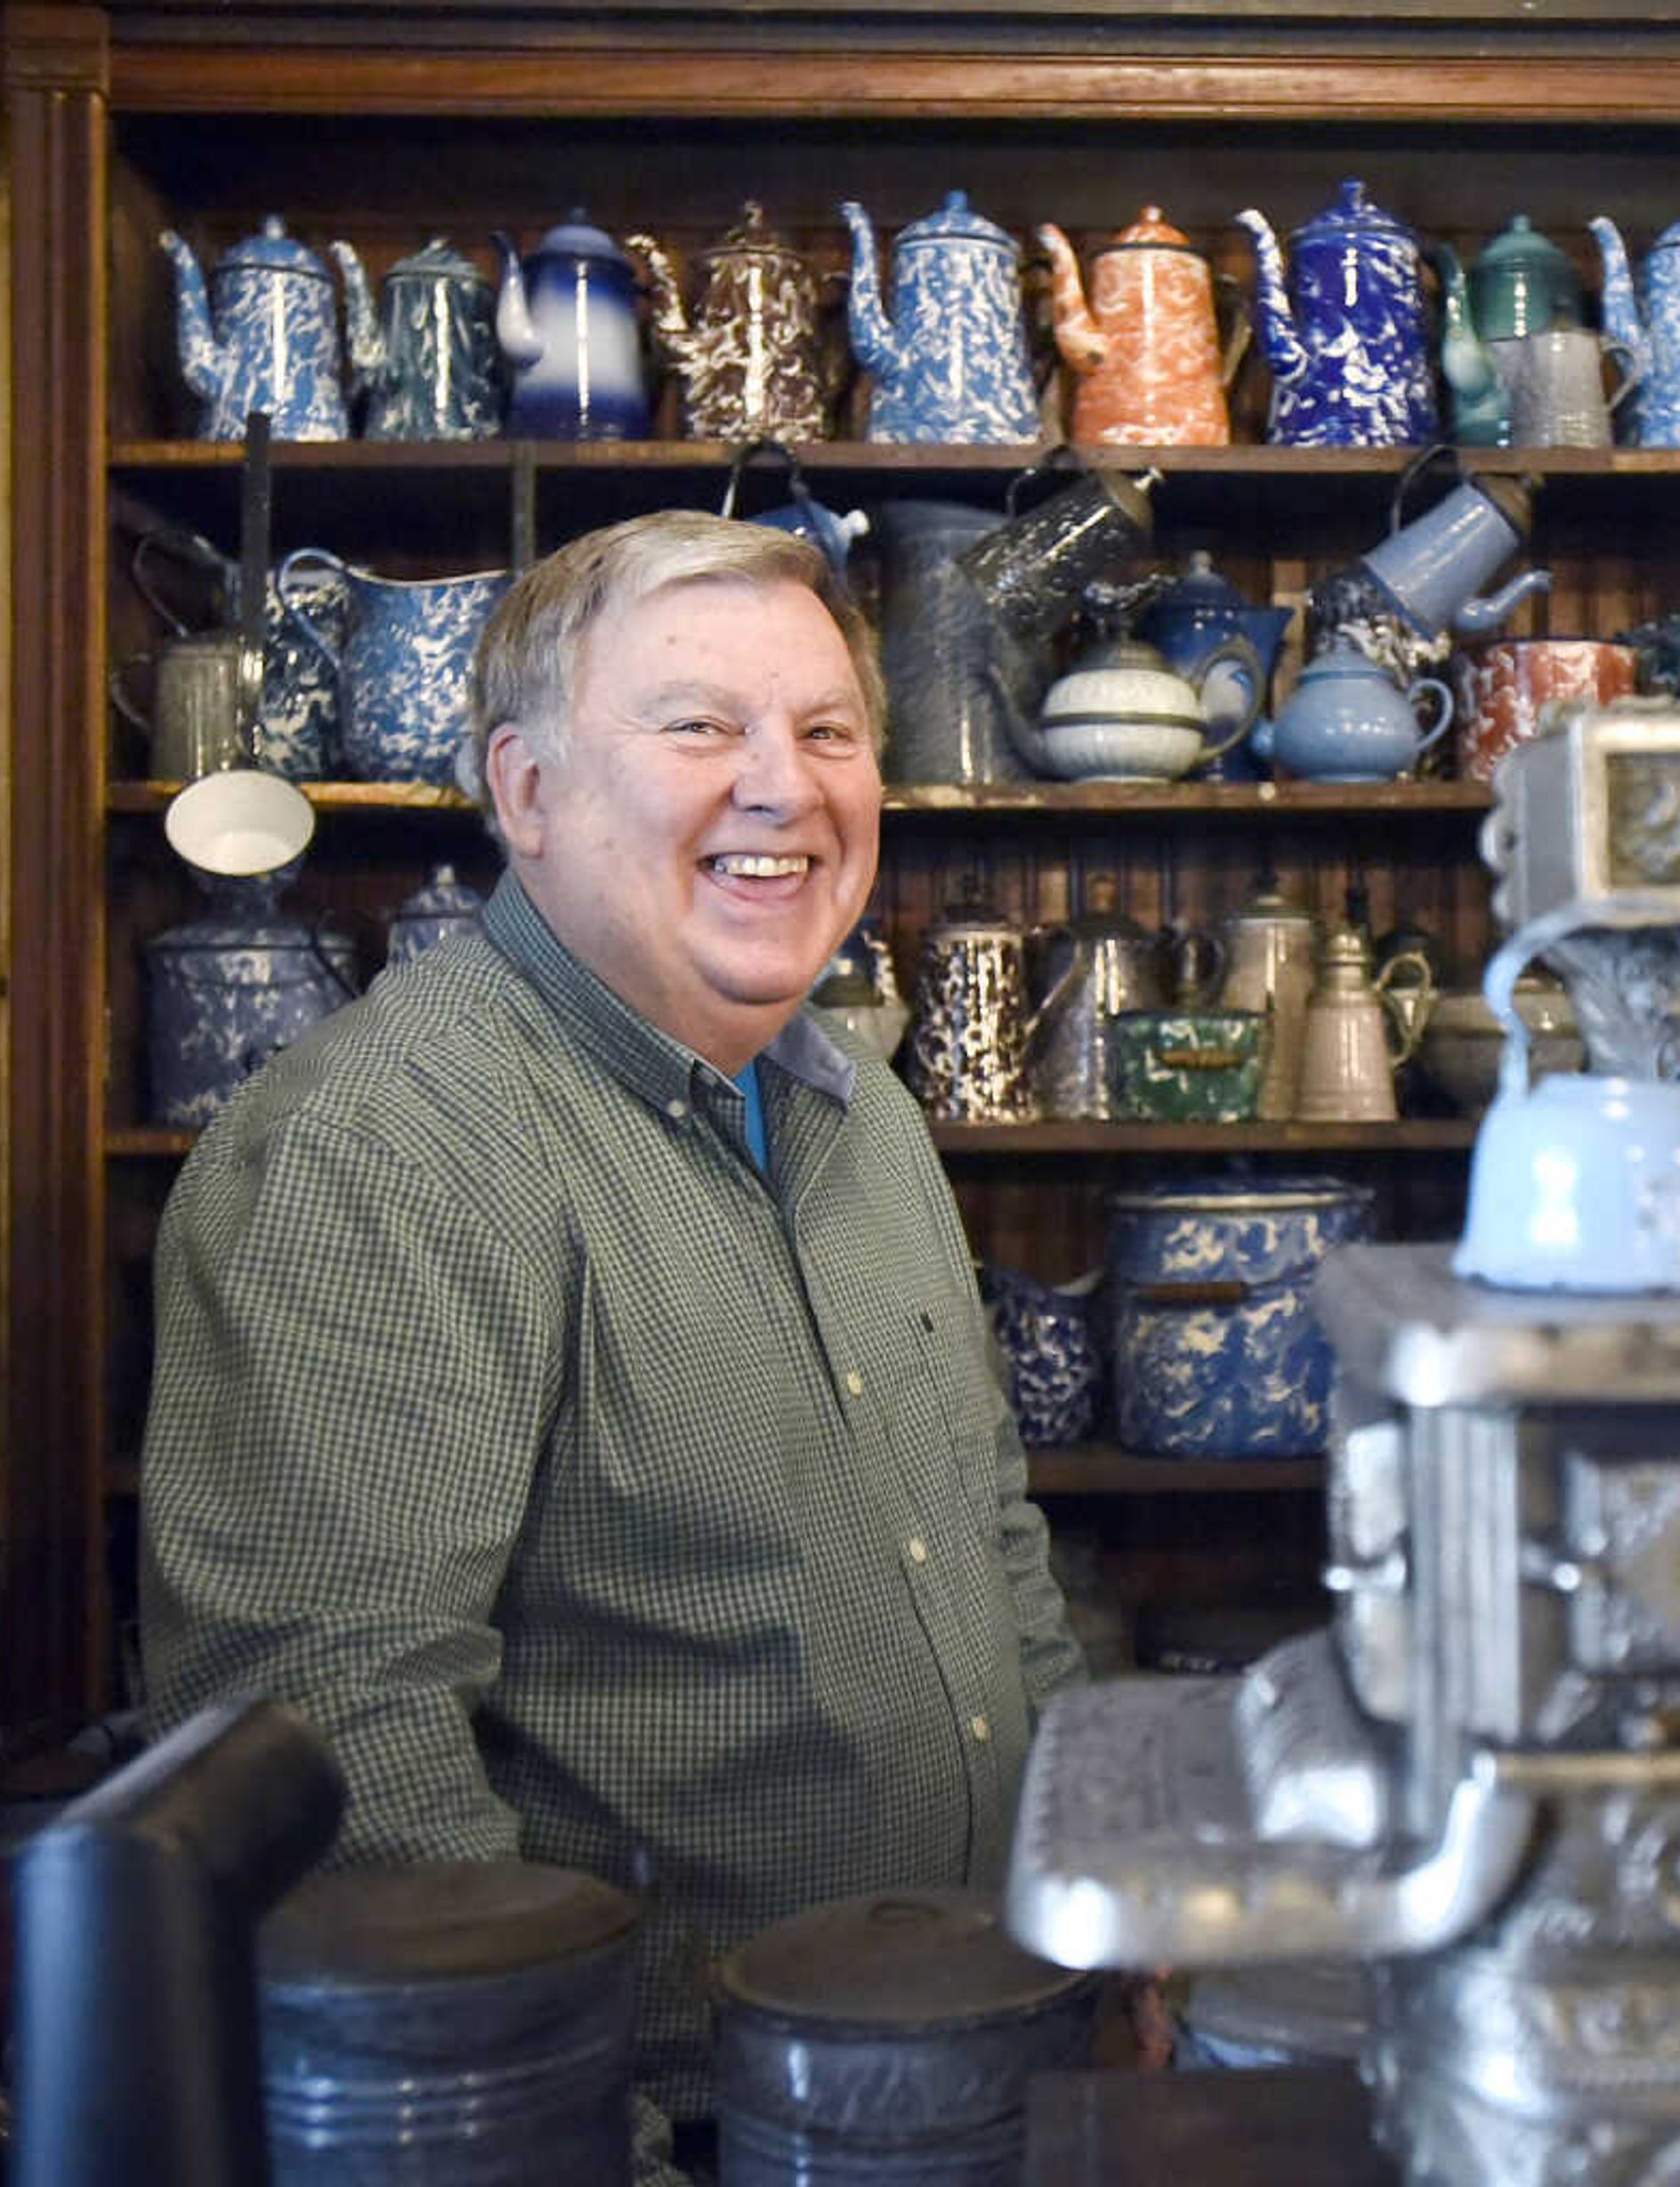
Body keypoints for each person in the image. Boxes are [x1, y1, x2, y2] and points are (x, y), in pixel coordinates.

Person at [141, 511, 1081, 2182]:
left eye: (827, 732)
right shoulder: (384, 1147)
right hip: (677, 2121)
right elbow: (341, 1743)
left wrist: (1105, 1918)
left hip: (972, 2069)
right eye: (700, 726)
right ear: (529, 795)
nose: (782, 786)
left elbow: (996, 1542)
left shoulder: (863, 1114)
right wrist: (583, 2146)